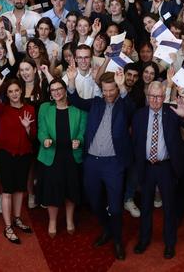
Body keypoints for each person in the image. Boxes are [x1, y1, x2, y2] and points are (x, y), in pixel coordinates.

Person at [66, 69, 134, 260]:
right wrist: (71, 82)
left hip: (114, 164)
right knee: (94, 201)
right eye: (105, 90)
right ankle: (107, 229)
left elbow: (131, 107)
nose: (108, 94)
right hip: (92, 163)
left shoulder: (124, 105)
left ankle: (118, 240)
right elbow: (76, 101)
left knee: (116, 207)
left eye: (111, 90)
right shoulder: (96, 103)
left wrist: (121, 87)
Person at [131, 82, 184, 259]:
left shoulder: (172, 112)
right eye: (152, 96)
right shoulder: (139, 115)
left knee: (169, 208)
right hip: (146, 167)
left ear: (164, 97)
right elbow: (135, 142)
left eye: (159, 96)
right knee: (145, 207)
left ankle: (170, 243)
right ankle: (144, 240)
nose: (155, 100)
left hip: (166, 167)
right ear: (147, 96)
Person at [36, 78, 86, 238]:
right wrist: (44, 140)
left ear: (65, 90)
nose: (56, 92)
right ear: (50, 93)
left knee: (71, 189)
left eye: (59, 89)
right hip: (52, 156)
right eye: (53, 90)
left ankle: (69, 220)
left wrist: (80, 141)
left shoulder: (78, 110)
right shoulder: (45, 108)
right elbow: (41, 130)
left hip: (72, 157)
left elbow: (83, 133)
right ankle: (52, 221)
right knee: (52, 191)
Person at [0, 78, 37, 244]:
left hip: (24, 154)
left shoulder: (30, 109)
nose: (14, 94)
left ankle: (17, 218)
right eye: (10, 92)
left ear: (21, 91)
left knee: (20, 189)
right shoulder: (3, 109)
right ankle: (8, 226)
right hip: (7, 155)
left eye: (16, 90)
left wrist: (27, 128)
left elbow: (33, 136)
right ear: (7, 94)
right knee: (7, 190)